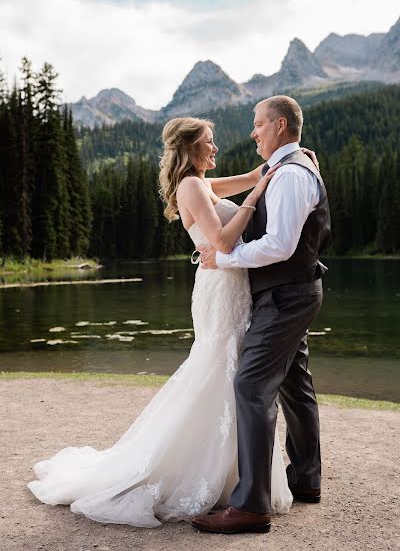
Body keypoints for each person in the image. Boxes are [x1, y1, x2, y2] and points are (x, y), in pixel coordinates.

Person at [27, 114, 316, 529]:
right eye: (209, 141)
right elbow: (222, 241)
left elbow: (249, 175)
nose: (215, 147)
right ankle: (219, 477)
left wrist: (285, 163)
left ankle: (238, 477)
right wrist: (257, 196)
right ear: (190, 147)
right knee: (222, 370)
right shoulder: (191, 185)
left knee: (232, 372)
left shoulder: (199, 182)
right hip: (220, 289)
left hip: (230, 287)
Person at [191, 95, 331, 535]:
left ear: (282, 125)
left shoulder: (291, 174)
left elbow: (279, 246)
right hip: (292, 291)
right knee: (295, 383)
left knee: (251, 384)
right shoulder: (283, 170)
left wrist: (223, 259)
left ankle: (251, 505)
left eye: (258, 124)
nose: (253, 131)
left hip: (287, 294)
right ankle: (306, 480)